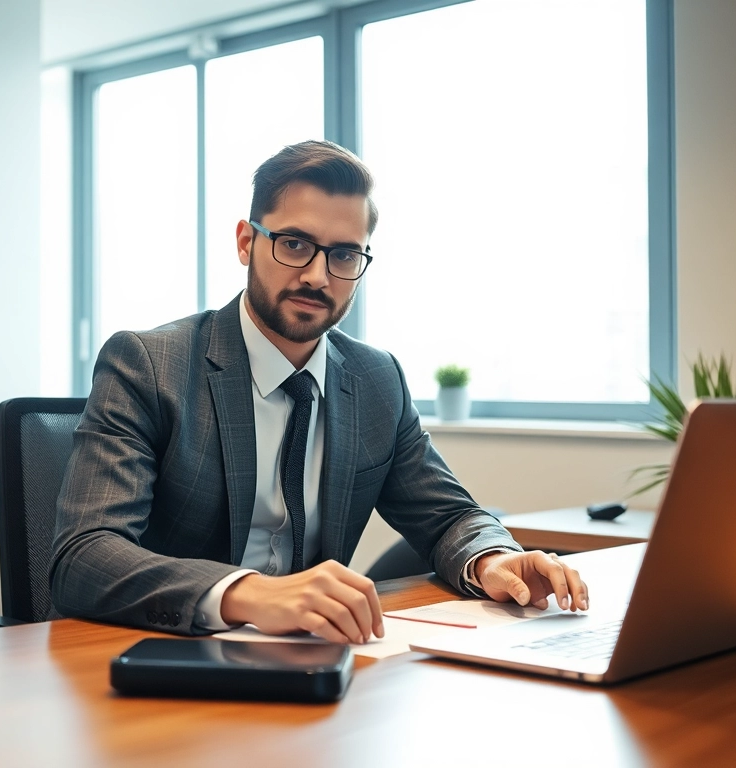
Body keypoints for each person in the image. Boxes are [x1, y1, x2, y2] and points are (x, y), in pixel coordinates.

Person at [50, 140, 587, 644]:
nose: (316, 275)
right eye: (294, 244)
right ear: (246, 241)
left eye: (344, 255)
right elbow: (84, 555)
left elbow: (447, 516)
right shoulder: (149, 364)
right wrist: (249, 593)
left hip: (310, 662)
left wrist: (492, 559)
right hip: (157, 659)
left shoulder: (376, 380)